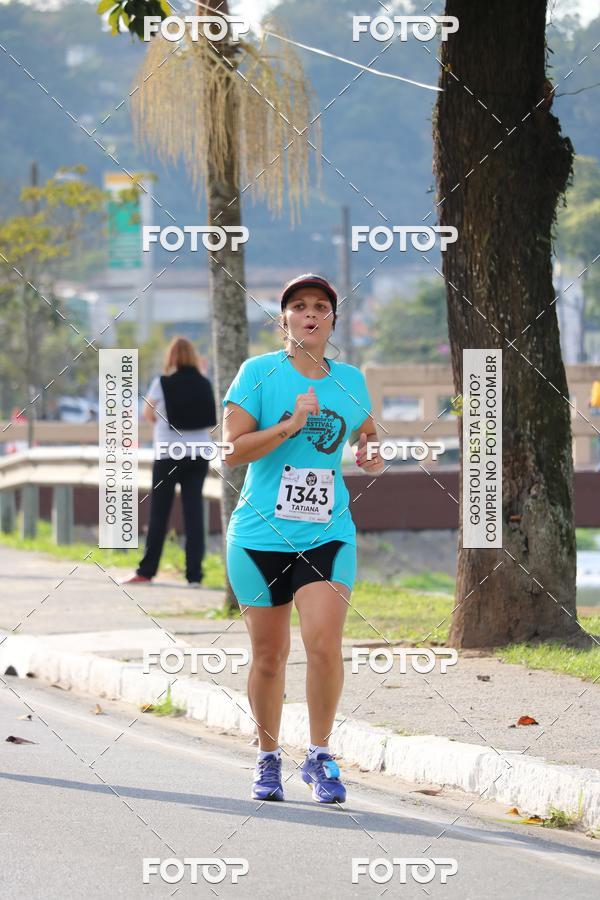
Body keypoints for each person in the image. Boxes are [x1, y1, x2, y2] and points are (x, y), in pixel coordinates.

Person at [222, 273, 384, 804]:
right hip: (259, 536)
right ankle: (268, 758)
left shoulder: (352, 380)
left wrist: (370, 450)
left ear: (332, 320)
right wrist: (291, 425)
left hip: (326, 533)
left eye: (321, 306)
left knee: (323, 644)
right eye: (299, 306)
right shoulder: (258, 373)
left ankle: (319, 755)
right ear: (284, 318)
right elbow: (233, 450)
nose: (310, 314)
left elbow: (364, 430)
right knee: (269, 656)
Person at [124, 336, 217, 586]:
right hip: (199, 454)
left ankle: (146, 571)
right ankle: (194, 576)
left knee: (160, 513)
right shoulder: (204, 383)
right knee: (194, 514)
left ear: (172, 357)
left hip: (168, 453)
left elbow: (148, 414)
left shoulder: (162, 383)